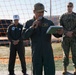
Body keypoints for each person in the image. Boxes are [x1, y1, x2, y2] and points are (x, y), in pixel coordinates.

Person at [22, 3, 63, 75]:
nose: (41, 14)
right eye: (39, 12)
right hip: (36, 52)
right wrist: (32, 28)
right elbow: (24, 36)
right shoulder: (29, 23)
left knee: (50, 71)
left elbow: (56, 34)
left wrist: (59, 33)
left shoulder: (48, 22)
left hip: (47, 51)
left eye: (42, 12)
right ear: (34, 11)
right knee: (36, 72)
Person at [60, 2, 76, 75]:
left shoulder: (75, 15)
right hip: (65, 38)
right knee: (65, 54)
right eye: (68, 6)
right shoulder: (62, 16)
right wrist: (66, 32)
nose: (69, 7)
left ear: (72, 7)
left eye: (70, 6)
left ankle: (75, 68)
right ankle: (65, 68)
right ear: (66, 7)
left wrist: (72, 32)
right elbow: (60, 27)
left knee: (75, 54)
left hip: (74, 38)